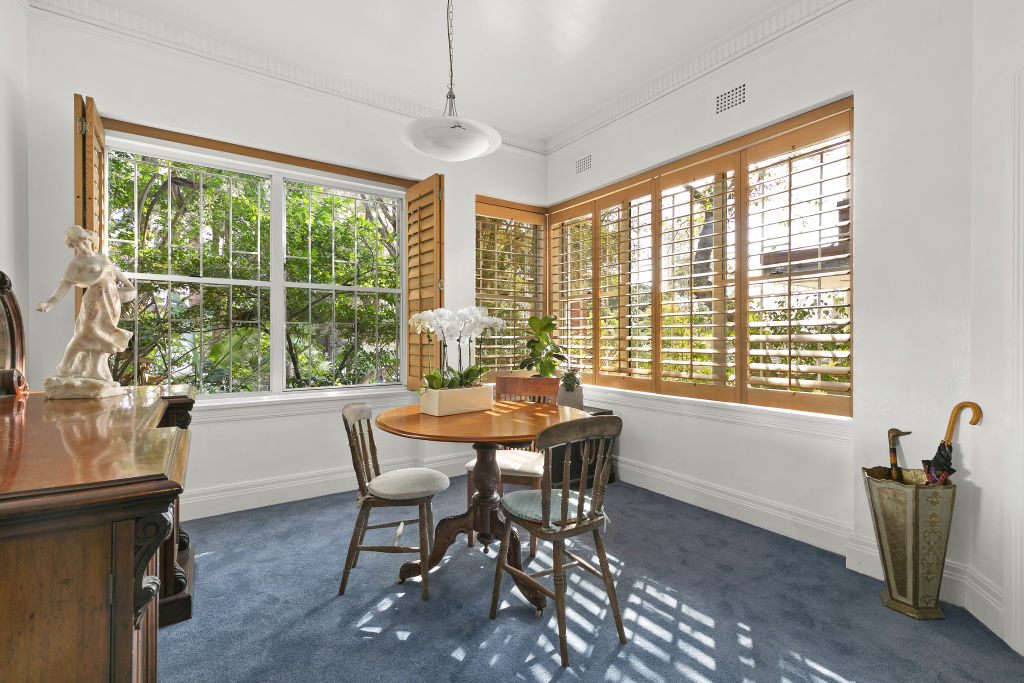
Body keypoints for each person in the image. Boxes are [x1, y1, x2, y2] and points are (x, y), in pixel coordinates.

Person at [37, 225, 136, 395]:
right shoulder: (76, 263)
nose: (81, 246)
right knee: (85, 333)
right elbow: (65, 284)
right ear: (72, 245)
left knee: (103, 334)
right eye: (76, 244)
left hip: (111, 299)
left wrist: (129, 285)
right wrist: (50, 302)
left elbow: (116, 272)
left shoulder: (102, 257)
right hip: (94, 300)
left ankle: (96, 372)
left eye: (82, 242)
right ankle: (64, 366)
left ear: (89, 240)